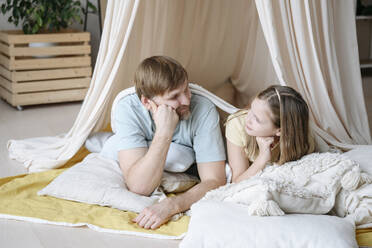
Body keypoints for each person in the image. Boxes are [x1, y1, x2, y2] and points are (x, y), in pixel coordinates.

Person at [101, 56, 226, 229]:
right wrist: (164, 133)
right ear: (146, 102)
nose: (186, 100)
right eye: (174, 96)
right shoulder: (128, 107)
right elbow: (139, 187)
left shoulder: (204, 109)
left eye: (186, 90)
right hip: (137, 146)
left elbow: (215, 180)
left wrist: (173, 205)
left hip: (181, 160)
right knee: (107, 146)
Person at [225, 85, 315, 183]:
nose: (248, 119)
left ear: (280, 131)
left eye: (257, 119)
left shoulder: (301, 140)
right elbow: (236, 182)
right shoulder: (237, 124)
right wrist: (262, 157)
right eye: (251, 109)